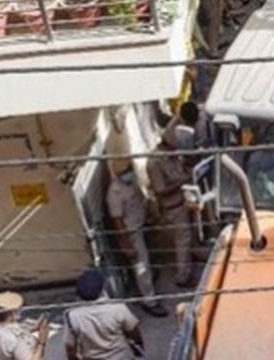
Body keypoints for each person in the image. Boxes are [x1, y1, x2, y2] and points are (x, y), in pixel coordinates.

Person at [105, 160, 166, 317]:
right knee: (141, 267)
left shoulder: (130, 183)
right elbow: (118, 221)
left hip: (140, 226)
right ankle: (149, 301)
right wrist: (126, 244)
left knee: (146, 262)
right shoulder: (115, 192)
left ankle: (148, 283)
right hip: (131, 234)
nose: (129, 172)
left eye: (129, 168)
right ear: (118, 173)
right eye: (126, 170)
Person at [148, 125, 197, 288]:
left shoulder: (172, 154)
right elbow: (160, 190)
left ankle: (191, 259)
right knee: (182, 241)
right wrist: (181, 182)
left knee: (189, 238)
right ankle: (183, 276)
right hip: (173, 207)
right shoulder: (154, 163)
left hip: (184, 200)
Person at [64, 270, 144, 360]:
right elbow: (134, 334)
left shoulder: (72, 316)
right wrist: (139, 355)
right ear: (102, 290)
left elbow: (70, 348)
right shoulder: (118, 308)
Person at [0, 292, 48, 360]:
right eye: (17, 308)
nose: (19, 310)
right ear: (9, 313)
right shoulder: (15, 341)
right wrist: (42, 341)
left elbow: (13, 329)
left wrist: (33, 328)